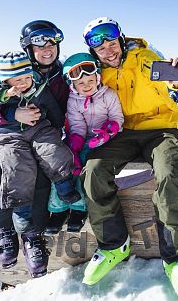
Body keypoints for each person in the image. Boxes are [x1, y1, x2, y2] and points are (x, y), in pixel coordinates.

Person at [79, 17, 178, 299]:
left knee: (169, 172)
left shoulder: (143, 57)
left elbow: (166, 75)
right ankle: (114, 245)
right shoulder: (98, 72)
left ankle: (174, 258)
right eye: (101, 47)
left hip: (160, 129)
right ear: (94, 52)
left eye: (112, 42)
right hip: (123, 133)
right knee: (93, 170)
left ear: (121, 40)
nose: (109, 50)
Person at [0, 20, 71, 273]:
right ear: (27, 47)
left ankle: (32, 234)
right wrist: (13, 114)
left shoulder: (60, 75)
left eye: (52, 42)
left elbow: (63, 109)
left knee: (40, 165)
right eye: (40, 43)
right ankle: (4, 232)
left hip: (39, 132)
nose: (48, 48)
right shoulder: (4, 69)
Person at [47, 53, 124, 234]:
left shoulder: (108, 95)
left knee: (85, 163)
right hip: (82, 137)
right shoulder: (73, 101)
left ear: (97, 78)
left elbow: (117, 118)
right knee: (63, 161)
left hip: (107, 137)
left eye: (90, 80)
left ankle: (79, 208)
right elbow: (77, 125)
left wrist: (107, 132)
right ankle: (58, 208)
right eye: (80, 83)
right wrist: (74, 146)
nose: (86, 85)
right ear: (72, 85)